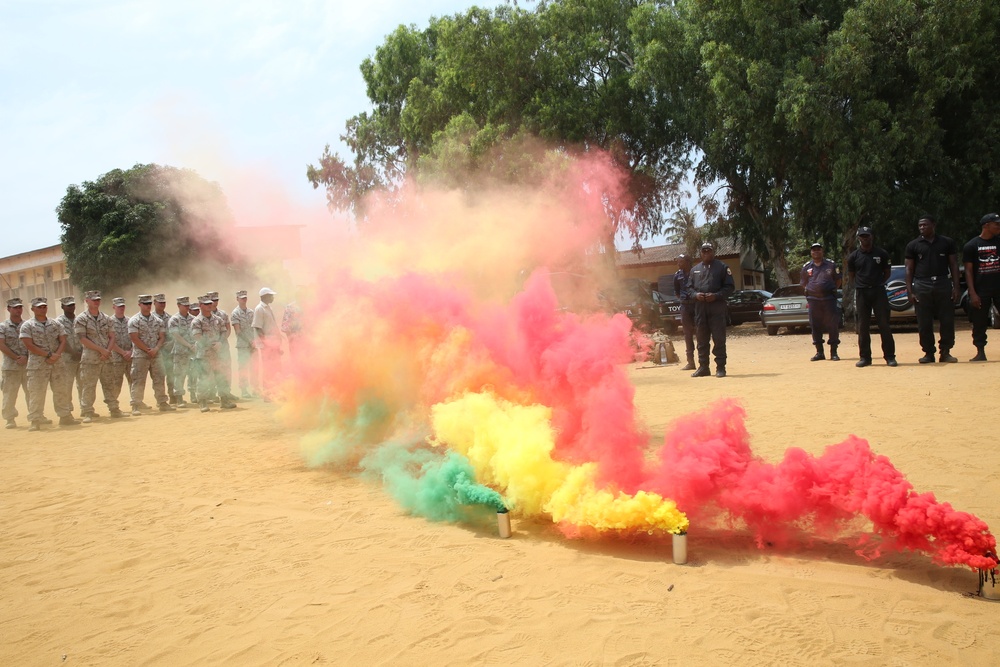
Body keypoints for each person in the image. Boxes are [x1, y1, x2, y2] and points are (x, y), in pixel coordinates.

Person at [905, 214, 960, 363]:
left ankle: (946, 351)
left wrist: (956, 287)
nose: (922, 227)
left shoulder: (946, 242)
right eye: (920, 225)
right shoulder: (913, 245)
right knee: (924, 322)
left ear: (933, 225)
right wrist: (910, 291)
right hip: (922, 285)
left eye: (925, 225)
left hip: (943, 283)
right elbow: (909, 269)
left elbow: (954, 265)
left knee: (947, 320)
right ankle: (928, 353)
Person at [19, 297, 76, 430]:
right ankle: (35, 420)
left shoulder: (55, 324)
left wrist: (56, 355)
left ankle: (65, 416)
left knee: (61, 390)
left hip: (57, 363)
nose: (42, 309)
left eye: (44, 306)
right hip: (38, 365)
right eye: (39, 307)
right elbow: (28, 344)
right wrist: (48, 355)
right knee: (37, 392)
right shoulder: (27, 325)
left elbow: (62, 340)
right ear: (32, 309)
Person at [847, 227, 897, 367]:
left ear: (872, 237)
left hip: (878, 292)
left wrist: (879, 283)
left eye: (867, 236)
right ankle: (865, 358)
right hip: (862, 293)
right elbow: (851, 276)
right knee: (863, 326)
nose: (865, 238)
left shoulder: (882, 254)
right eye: (862, 236)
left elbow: (887, 273)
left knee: (884, 325)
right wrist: (858, 286)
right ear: (858, 238)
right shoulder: (853, 256)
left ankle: (890, 357)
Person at [686, 242, 734, 377]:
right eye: (704, 251)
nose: (706, 253)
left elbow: (730, 287)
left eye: (709, 251)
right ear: (700, 253)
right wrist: (696, 295)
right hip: (700, 309)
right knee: (701, 339)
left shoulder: (723, 267)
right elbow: (688, 288)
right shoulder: (695, 269)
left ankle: (720, 368)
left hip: (717, 307)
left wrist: (716, 295)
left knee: (718, 338)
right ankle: (703, 367)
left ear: (713, 252)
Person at [74, 290, 122, 421]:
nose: (96, 301)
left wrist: (107, 351)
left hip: (106, 358)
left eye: (98, 299)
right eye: (93, 299)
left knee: (109, 384)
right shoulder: (81, 319)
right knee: (89, 386)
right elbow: (82, 339)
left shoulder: (106, 318)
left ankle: (114, 408)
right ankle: (88, 411)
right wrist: (101, 350)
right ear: (87, 301)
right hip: (90, 359)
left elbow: (112, 336)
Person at [963, 213, 1000, 361]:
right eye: (996, 224)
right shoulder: (971, 245)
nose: (999, 227)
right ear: (986, 225)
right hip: (981, 289)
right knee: (979, 322)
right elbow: (968, 270)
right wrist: (972, 293)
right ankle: (980, 352)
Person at [128, 294, 174, 414]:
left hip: (156, 354)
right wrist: (148, 349)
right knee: (138, 380)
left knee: (159, 378)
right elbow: (134, 338)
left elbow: (162, 336)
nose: (148, 306)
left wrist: (156, 348)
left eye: (149, 304)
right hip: (140, 355)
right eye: (145, 304)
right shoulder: (134, 320)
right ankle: (136, 404)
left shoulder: (158, 321)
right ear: (139, 305)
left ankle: (162, 402)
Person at [191, 295, 237, 412]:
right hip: (204, 355)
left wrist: (220, 343)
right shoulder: (197, 321)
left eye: (210, 303)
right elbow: (197, 336)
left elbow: (223, 332)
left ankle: (224, 400)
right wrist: (211, 345)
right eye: (206, 304)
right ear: (200, 305)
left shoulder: (218, 319)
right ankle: (203, 402)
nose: (209, 305)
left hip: (218, 354)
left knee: (221, 377)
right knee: (204, 379)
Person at [801, 241, 843, 361]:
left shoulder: (831, 265)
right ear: (811, 252)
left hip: (829, 299)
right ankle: (819, 352)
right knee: (815, 325)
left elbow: (838, 280)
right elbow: (803, 283)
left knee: (833, 324)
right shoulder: (806, 267)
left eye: (818, 249)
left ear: (822, 251)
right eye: (814, 250)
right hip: (813, 300)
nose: (816, 251)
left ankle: (833, 352)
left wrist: (832, 289)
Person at [1, 297, 29, 429]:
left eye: (20, 307)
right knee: (10, 393)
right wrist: (17, 357)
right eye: (15, 307)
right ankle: (10, 419)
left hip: (29, 365)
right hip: (11, 367)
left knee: (32, 392)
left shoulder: (28, 325)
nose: (18, 310)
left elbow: (33, 343)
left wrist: (26, 357)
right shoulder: (3, 326)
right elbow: (1, 345)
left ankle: (35, 415)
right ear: (8, 309)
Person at [252, 287, 282, 400]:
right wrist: (266, 343)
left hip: (273, 343)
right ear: (264, 297)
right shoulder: (259, 309)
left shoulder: (268, 308)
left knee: (275, 367)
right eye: (270, 295)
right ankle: (267, 395)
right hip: (267, 345)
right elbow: (258, 328)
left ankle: (275, 392)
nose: (272, 297)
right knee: (268, 368)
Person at [167, 296, 196, 406]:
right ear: (179, 306)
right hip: (180, 352)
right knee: (179, 375)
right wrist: (189, 345)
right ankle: (179, 398)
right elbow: (176, 335)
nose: (187, 307)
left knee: (193, 374)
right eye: (185, 305)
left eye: (188, 305)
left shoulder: (193, 319)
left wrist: (195, 345)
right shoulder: (174, 319)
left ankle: (194, 395)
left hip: (193, 352)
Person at [55, 295, 83, 409]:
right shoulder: (58, 322)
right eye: (68, 306)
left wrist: (81, 352)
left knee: (83, 384)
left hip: (82, 357)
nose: (71, 307)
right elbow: (61, 340)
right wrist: (73, 353)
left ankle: (85, 408)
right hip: (67, 358)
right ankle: (67, 410)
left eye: (72, 305)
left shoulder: (80, 320)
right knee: (66, 385)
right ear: (62, 307)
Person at [231, 289, 258, 398]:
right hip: (243, 345)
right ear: (237, 299)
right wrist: (249, 341)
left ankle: (256, 389)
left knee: (254, 367)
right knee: (243, 368)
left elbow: (254, 328)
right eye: (242, 298)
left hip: (253, 344)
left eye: (245, 298)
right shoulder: (235, 313)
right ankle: (244, 390)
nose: (244, 300)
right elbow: (238, 331)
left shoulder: (251, 312)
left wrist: (255, 341)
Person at [109, 297, 134, 410]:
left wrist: (131, 351)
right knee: (116, 383)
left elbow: (135, 338)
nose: (121, 308)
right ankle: (114, 406)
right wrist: (122, 352)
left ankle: (136, 403)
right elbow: (108, 341)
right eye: (119, 306)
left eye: (123, 306)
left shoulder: (130, 321)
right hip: (116, 358)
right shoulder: (108, 322)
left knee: (133, 381)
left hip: (130, 356)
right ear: (114, 307)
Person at [672, 254, 696, 371]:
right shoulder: (677, 276)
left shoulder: (696, 272)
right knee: (687, 334)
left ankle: (703, 363)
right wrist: (684, 299)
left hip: (696, 305)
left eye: (680, 262)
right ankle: (690, 362)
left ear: (687, 262)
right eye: (678, 262)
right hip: (685, 307)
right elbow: (677, 291)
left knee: (701, 333)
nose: (678, 264)